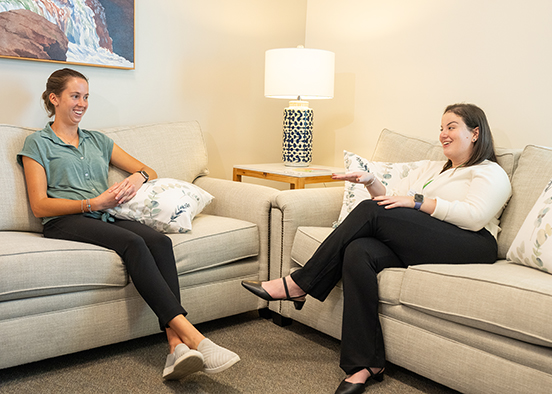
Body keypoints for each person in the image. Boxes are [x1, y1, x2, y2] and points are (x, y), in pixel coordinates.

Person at [242, 103, 512, 394]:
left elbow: (474, 217)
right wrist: (372, 182)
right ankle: (365, 365)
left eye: (452, 127)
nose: (443, 134)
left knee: (370, 211)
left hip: (472, 244)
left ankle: (300, 284)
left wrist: (419, 203)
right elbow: (394, 205)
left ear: (475, 133)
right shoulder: (437, 171)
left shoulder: (489, 172)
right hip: (430, 240)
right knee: (360, 250)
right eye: (441, 128)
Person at [17, 68, 240, 381]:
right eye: (74, 96)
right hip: (64, 220)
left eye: (86, 97)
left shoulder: (98, 141)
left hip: (104, 215)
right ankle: (195, 338)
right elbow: (40, 205)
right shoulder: (37, 143)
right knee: (133, 243)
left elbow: (148, 169)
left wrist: (137, 177)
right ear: (54, 99)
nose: (82, 103)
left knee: (160, 242)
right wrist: (94, 203)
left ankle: (175, 348)